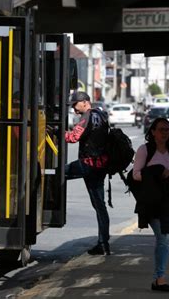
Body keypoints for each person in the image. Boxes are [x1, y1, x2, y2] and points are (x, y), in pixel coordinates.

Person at [132, 117, 169, 292]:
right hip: (151, 200)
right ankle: (160, 278)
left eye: (167, 129)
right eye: (161, 129)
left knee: (164, 239)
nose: (165, 133)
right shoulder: (145, 150)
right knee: (163, 238)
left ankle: (157, 278)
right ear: (153, 132)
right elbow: (136, 174)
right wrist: (157, 172)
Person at [62, 91, 111, 255]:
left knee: (56, 174)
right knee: (100, 206)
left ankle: (103, 243)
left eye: (75, 105)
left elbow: (73, 137)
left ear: (84, 102)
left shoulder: (87, 116)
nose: (74, 110)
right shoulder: (102, 115)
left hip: (88, 164)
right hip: (101, 166)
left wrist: (55, 132)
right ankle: (103, 243)